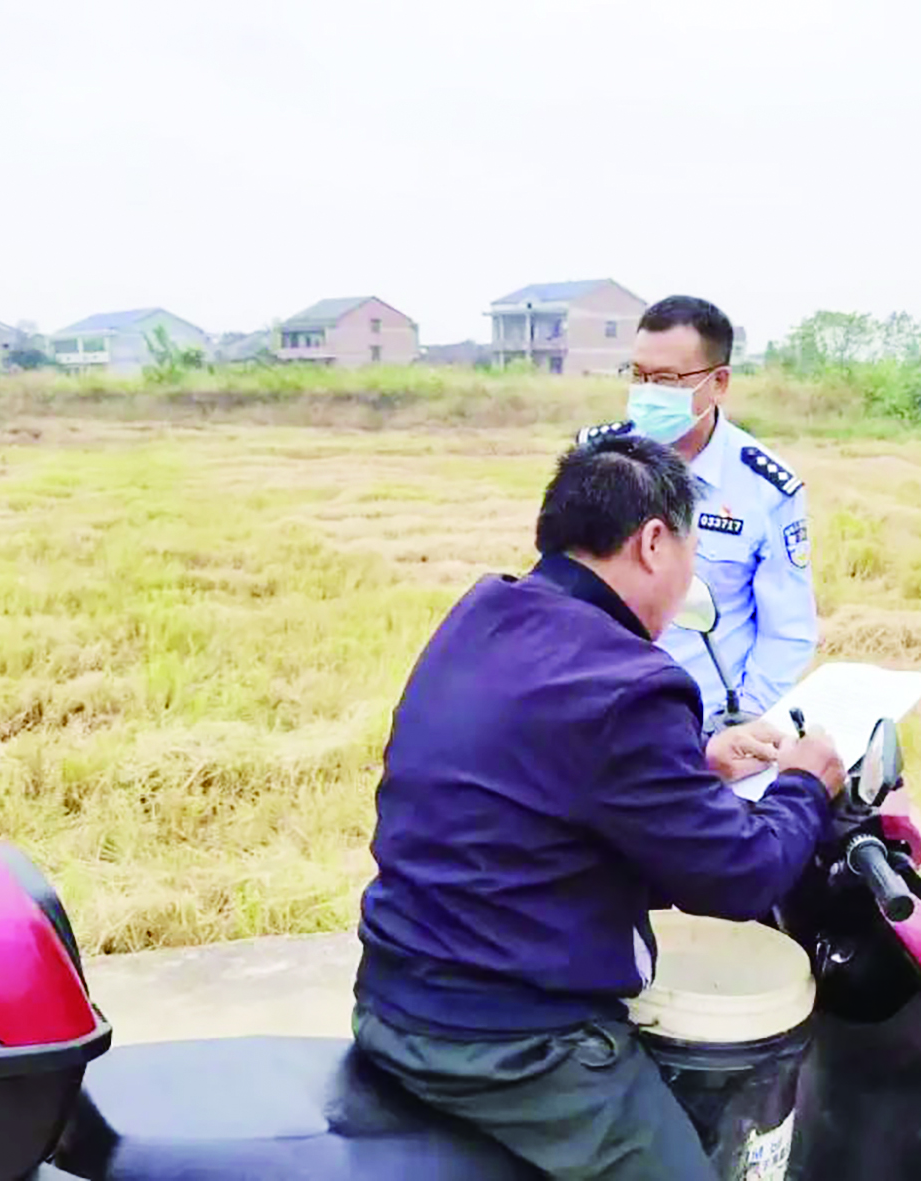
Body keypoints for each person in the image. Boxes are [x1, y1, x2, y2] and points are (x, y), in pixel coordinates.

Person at [351, 432, 846, 1180]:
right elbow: (740, 875)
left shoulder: (485, 612)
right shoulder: (631, 680)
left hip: (396, 997)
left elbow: (539, 761)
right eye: (690, 551)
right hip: (512, 1047)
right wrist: (805, 783)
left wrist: (696, 762)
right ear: (653, 543)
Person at [578, 296, 816, 729]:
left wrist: (741, 721)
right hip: (596, 712)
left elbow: (787, 631)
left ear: (719, 382)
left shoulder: (766, 489)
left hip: (700, 723)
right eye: (638, 375)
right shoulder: (595, 460)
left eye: (666, 380)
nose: (647, 392)